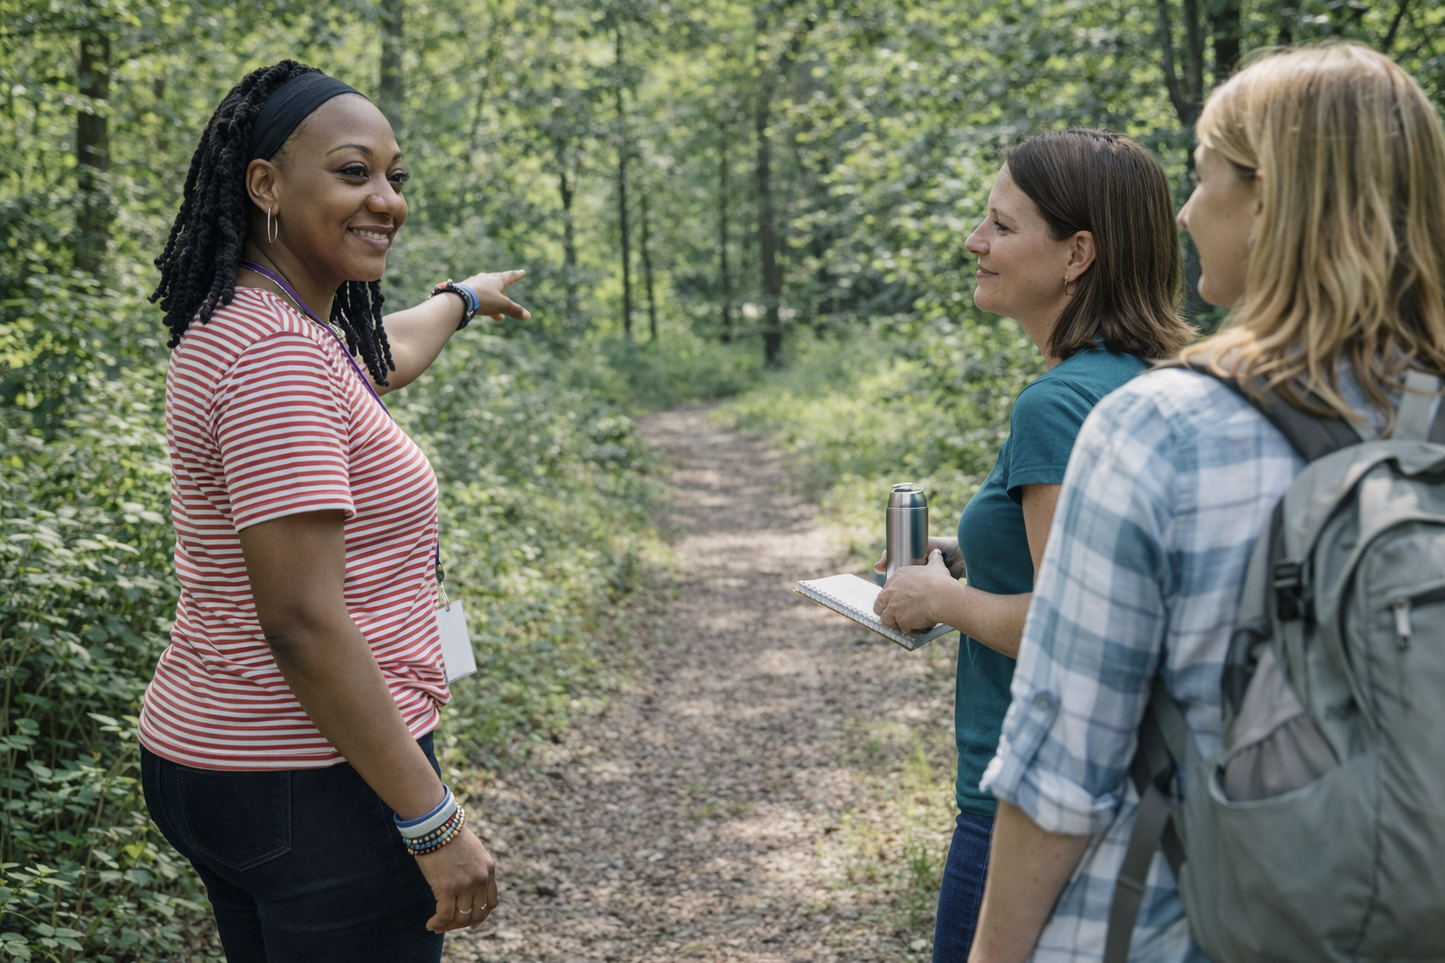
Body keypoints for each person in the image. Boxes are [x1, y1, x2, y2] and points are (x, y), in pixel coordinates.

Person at [969, 44, 1445, 963]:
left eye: (1203, 177)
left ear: (1267, 200)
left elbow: (1063, 762)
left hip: (1179, 923)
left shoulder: (1162, 429)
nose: (1186, 211)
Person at [137, 61, 530, 962]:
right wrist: (432, 824)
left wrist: (460, 299)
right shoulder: (279, 357)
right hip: (309, 780)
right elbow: (304, 622)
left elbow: (373, 357)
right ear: (266, 184)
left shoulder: (247, 316)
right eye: (354, 172)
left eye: (396, 176)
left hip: (220, 755)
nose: (386, 199)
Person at [872, 128, 1194, 960]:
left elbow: (1071, 625)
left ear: (1076, 252)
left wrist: (935, 597)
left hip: (1022, 796)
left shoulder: (1056, 405)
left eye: (1001, 226)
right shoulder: (1162, 382)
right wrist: (976, 553)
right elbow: (1126, 580)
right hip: (1145, 787)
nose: (973, 242)